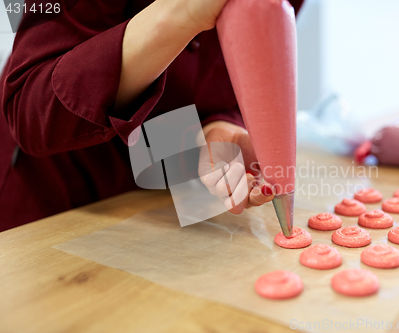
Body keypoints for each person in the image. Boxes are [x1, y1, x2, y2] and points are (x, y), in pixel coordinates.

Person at [0, 0, 304, 231]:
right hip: (51, 209)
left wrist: (217, 126)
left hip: (161, 211)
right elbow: (30, 112)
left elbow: (229, 76)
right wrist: (178, 15)